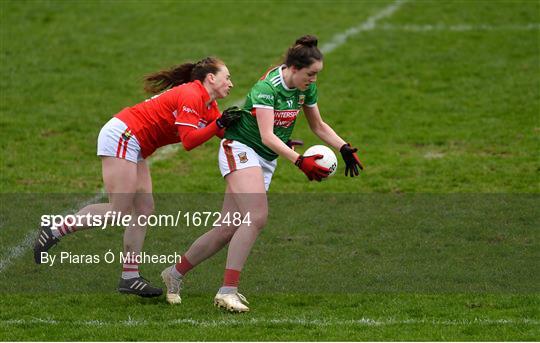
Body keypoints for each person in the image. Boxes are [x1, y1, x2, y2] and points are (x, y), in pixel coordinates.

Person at [160, 35, 363, 311]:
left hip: (263, 158)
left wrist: (343, 147)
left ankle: (174, 273)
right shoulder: (267, 88)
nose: (314, 79)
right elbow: (267, 136)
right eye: (310, 74)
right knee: (256, 216)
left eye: (317, 75)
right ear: (293, 67)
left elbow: (318, 124)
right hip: (241, 148)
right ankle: (227, 290)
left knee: (226, 229)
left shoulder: (305, 88)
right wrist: (299, 161)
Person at [33, 57, 245, 297]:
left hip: (136, 143)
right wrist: (217, 124)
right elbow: (189, 141)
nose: (231, 83)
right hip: (123, 136)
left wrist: (273, 141)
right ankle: (54, 229)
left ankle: (130, 277)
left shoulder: (208, 104)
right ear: (211, 78)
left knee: (144, 208)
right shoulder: (191, 95)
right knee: (118, 210)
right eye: (227, 77)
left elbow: (226, 133)